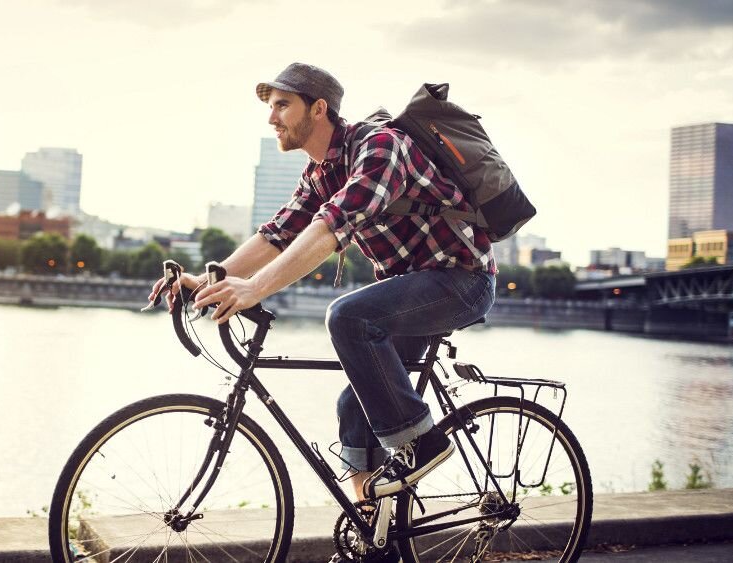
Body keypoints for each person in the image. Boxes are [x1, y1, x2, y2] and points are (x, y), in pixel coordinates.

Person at [150, 61, 496, 558]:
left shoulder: (379, 147)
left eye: (282, 105)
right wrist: (213, 279)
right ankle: (377, 538)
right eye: (270, 107)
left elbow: (329, 228)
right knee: (354, 408)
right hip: (412, 288)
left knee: (348, 317)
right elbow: (278, 233)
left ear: (319, 109)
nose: (272, 117)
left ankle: (425, 444)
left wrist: (252, 290)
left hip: (461, 281)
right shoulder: (320, 172)